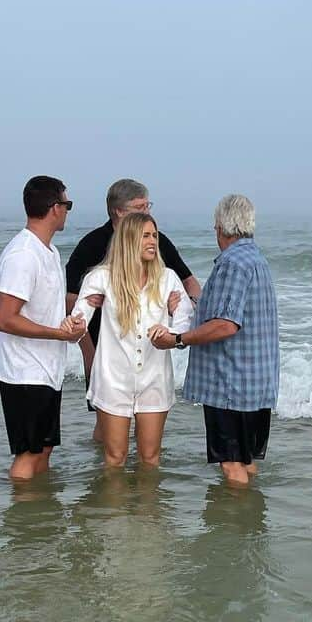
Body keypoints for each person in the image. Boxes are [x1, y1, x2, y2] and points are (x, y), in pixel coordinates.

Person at [149, 194, 279, 486]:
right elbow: (231, 315)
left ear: (221, 226)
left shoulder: (231, 263)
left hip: (230, 384)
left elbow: (225, 325)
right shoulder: (256, 259)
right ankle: (252, 523)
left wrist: (178, 338)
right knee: (246, 461)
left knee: (231, 464)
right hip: (255, 383)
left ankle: (233, 527)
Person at [65, 178, 201, 440]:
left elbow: (189, 283)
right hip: (106, 354)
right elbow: (73, 304)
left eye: (148, 205)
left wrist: (186, 311)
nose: (147, 212)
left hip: (149, 358)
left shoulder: (158, 246)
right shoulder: (91, 247)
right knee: (107, 436)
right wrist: (89, 352)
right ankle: (98, 472)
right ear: (119, 211)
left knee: (147, 445)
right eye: (140, 206)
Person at [0, 176, 85, 481]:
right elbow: (6, 319)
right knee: (29, 452)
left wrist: (70, 322)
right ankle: (22, 520)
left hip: (45, 368)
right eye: (67, 204)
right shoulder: (23, 254)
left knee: (44, 449)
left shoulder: (49, 252)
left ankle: (39, 518)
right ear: (55, 208)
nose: (68, 211)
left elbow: (45, 309)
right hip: (23, 371)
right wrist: (58, 334)